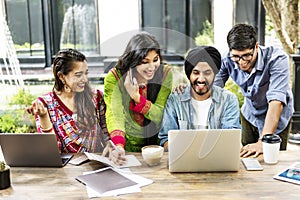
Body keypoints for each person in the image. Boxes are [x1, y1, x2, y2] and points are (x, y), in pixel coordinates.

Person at [214, 24, 294, 157]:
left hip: (277, 118)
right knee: (246, 159)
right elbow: (213, 92)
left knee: (271, 162)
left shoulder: (277, 59)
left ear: (256, 47)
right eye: (236, 57)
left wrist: (264, 141)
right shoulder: (226, 59)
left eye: (246, 56)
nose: (241, 62)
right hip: (249, 115)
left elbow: (276, 102)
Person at [103, 32, 173, 164]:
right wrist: (118, 146)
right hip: (126, 149)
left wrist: (137, 98)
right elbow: (114, 114)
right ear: (133, 61)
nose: (152, 67)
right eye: (144, 62)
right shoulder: (114, 77)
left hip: (157, 149)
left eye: (155, 59)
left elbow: (161, 115)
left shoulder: (165, 74)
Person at [158, 46, 241, 151]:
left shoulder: (228, 100)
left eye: (207, 73)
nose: (201, 79)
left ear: (215, 74)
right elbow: (165, 139)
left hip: (218, 163)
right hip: (184, 162)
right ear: (189, 74)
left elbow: (232, 139)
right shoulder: (175, 100)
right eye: (196, 73)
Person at [26, 48, 108, 153]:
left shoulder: (96, 97)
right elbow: (51, 152)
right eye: (78, 75)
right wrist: (44, 116)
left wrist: (111, 147)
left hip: (95, 166)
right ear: (61, 76)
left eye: (86, 73)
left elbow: (106, 136)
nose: (85, 79)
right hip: (65, 168)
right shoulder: (45, 104)